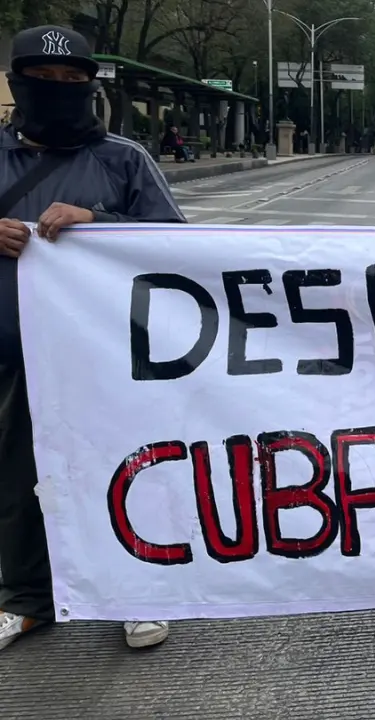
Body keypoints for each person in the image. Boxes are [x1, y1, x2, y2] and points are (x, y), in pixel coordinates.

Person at [0, 25, 186, 652]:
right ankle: (26, 600)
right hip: (15, 352)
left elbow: (177, 251)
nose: (56, 92)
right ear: (17, 84)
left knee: (126, 469)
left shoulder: (125, 160)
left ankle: (134, 591)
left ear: (90, 88)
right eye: (41, 81)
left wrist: (98, 224)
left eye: (71, 82)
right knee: (19, 476)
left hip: (110, 356)